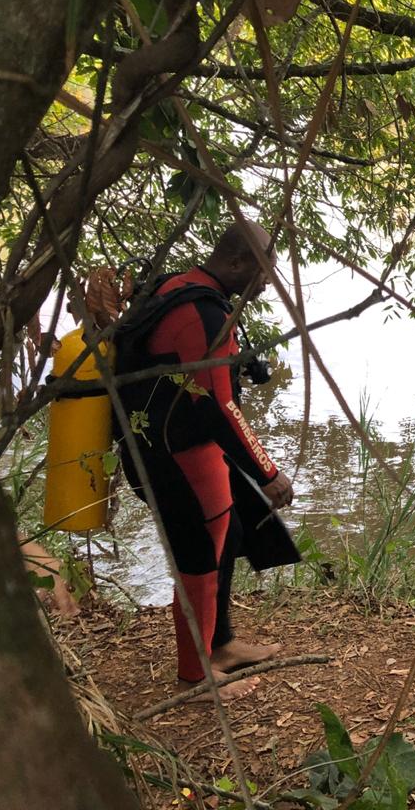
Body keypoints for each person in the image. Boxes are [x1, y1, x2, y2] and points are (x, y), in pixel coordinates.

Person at [115, 220, 296, 699]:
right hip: (178, 458)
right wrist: (268, 473)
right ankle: (195, 678)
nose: (264, 285)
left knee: (229, 534)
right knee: (199, 558)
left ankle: (222, 645)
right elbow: (218, 405)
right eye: (261, 274)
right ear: (235, 263)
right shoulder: (200, 311)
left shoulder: (186, 289)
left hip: (180, 448)